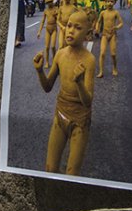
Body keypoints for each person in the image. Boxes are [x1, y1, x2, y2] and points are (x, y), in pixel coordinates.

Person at [33, 11, 96, 175]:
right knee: (50, 168)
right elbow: (48, 87)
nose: (70, 31)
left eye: (77, 28)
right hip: (60, 114)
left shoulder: (89, 60)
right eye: (68, 26)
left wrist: (80, 83)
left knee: (72, 173)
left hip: (80, 121)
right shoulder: (60, 55)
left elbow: (88, 101)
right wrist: (40, 71)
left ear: (87, 34)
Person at [95, 0, 123, 78]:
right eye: (108, 1)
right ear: (105, 2)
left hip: (112, 34)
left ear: (114, 2)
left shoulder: (116, 12)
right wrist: (97, 28)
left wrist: (117, 27)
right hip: (104, 34)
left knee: (113, 54)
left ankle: (114, 67)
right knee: (102, 53)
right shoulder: (103, 13)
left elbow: (121, 23)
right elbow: (98, 22)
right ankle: (101, 71)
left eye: (111, 1)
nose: (109, 3)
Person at [37, 0, 59, 68]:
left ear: (52, 1)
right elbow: (43, 21)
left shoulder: (56, 9)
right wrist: (39, 31)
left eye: (50, 2)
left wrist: (56, 15)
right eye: (48, 2)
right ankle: (47, 62)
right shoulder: (46, 11)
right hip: (47, 29)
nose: (49, 3)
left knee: (53, 46)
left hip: (54, 29)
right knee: (46, 47)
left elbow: (58, 20)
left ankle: (55, 60)